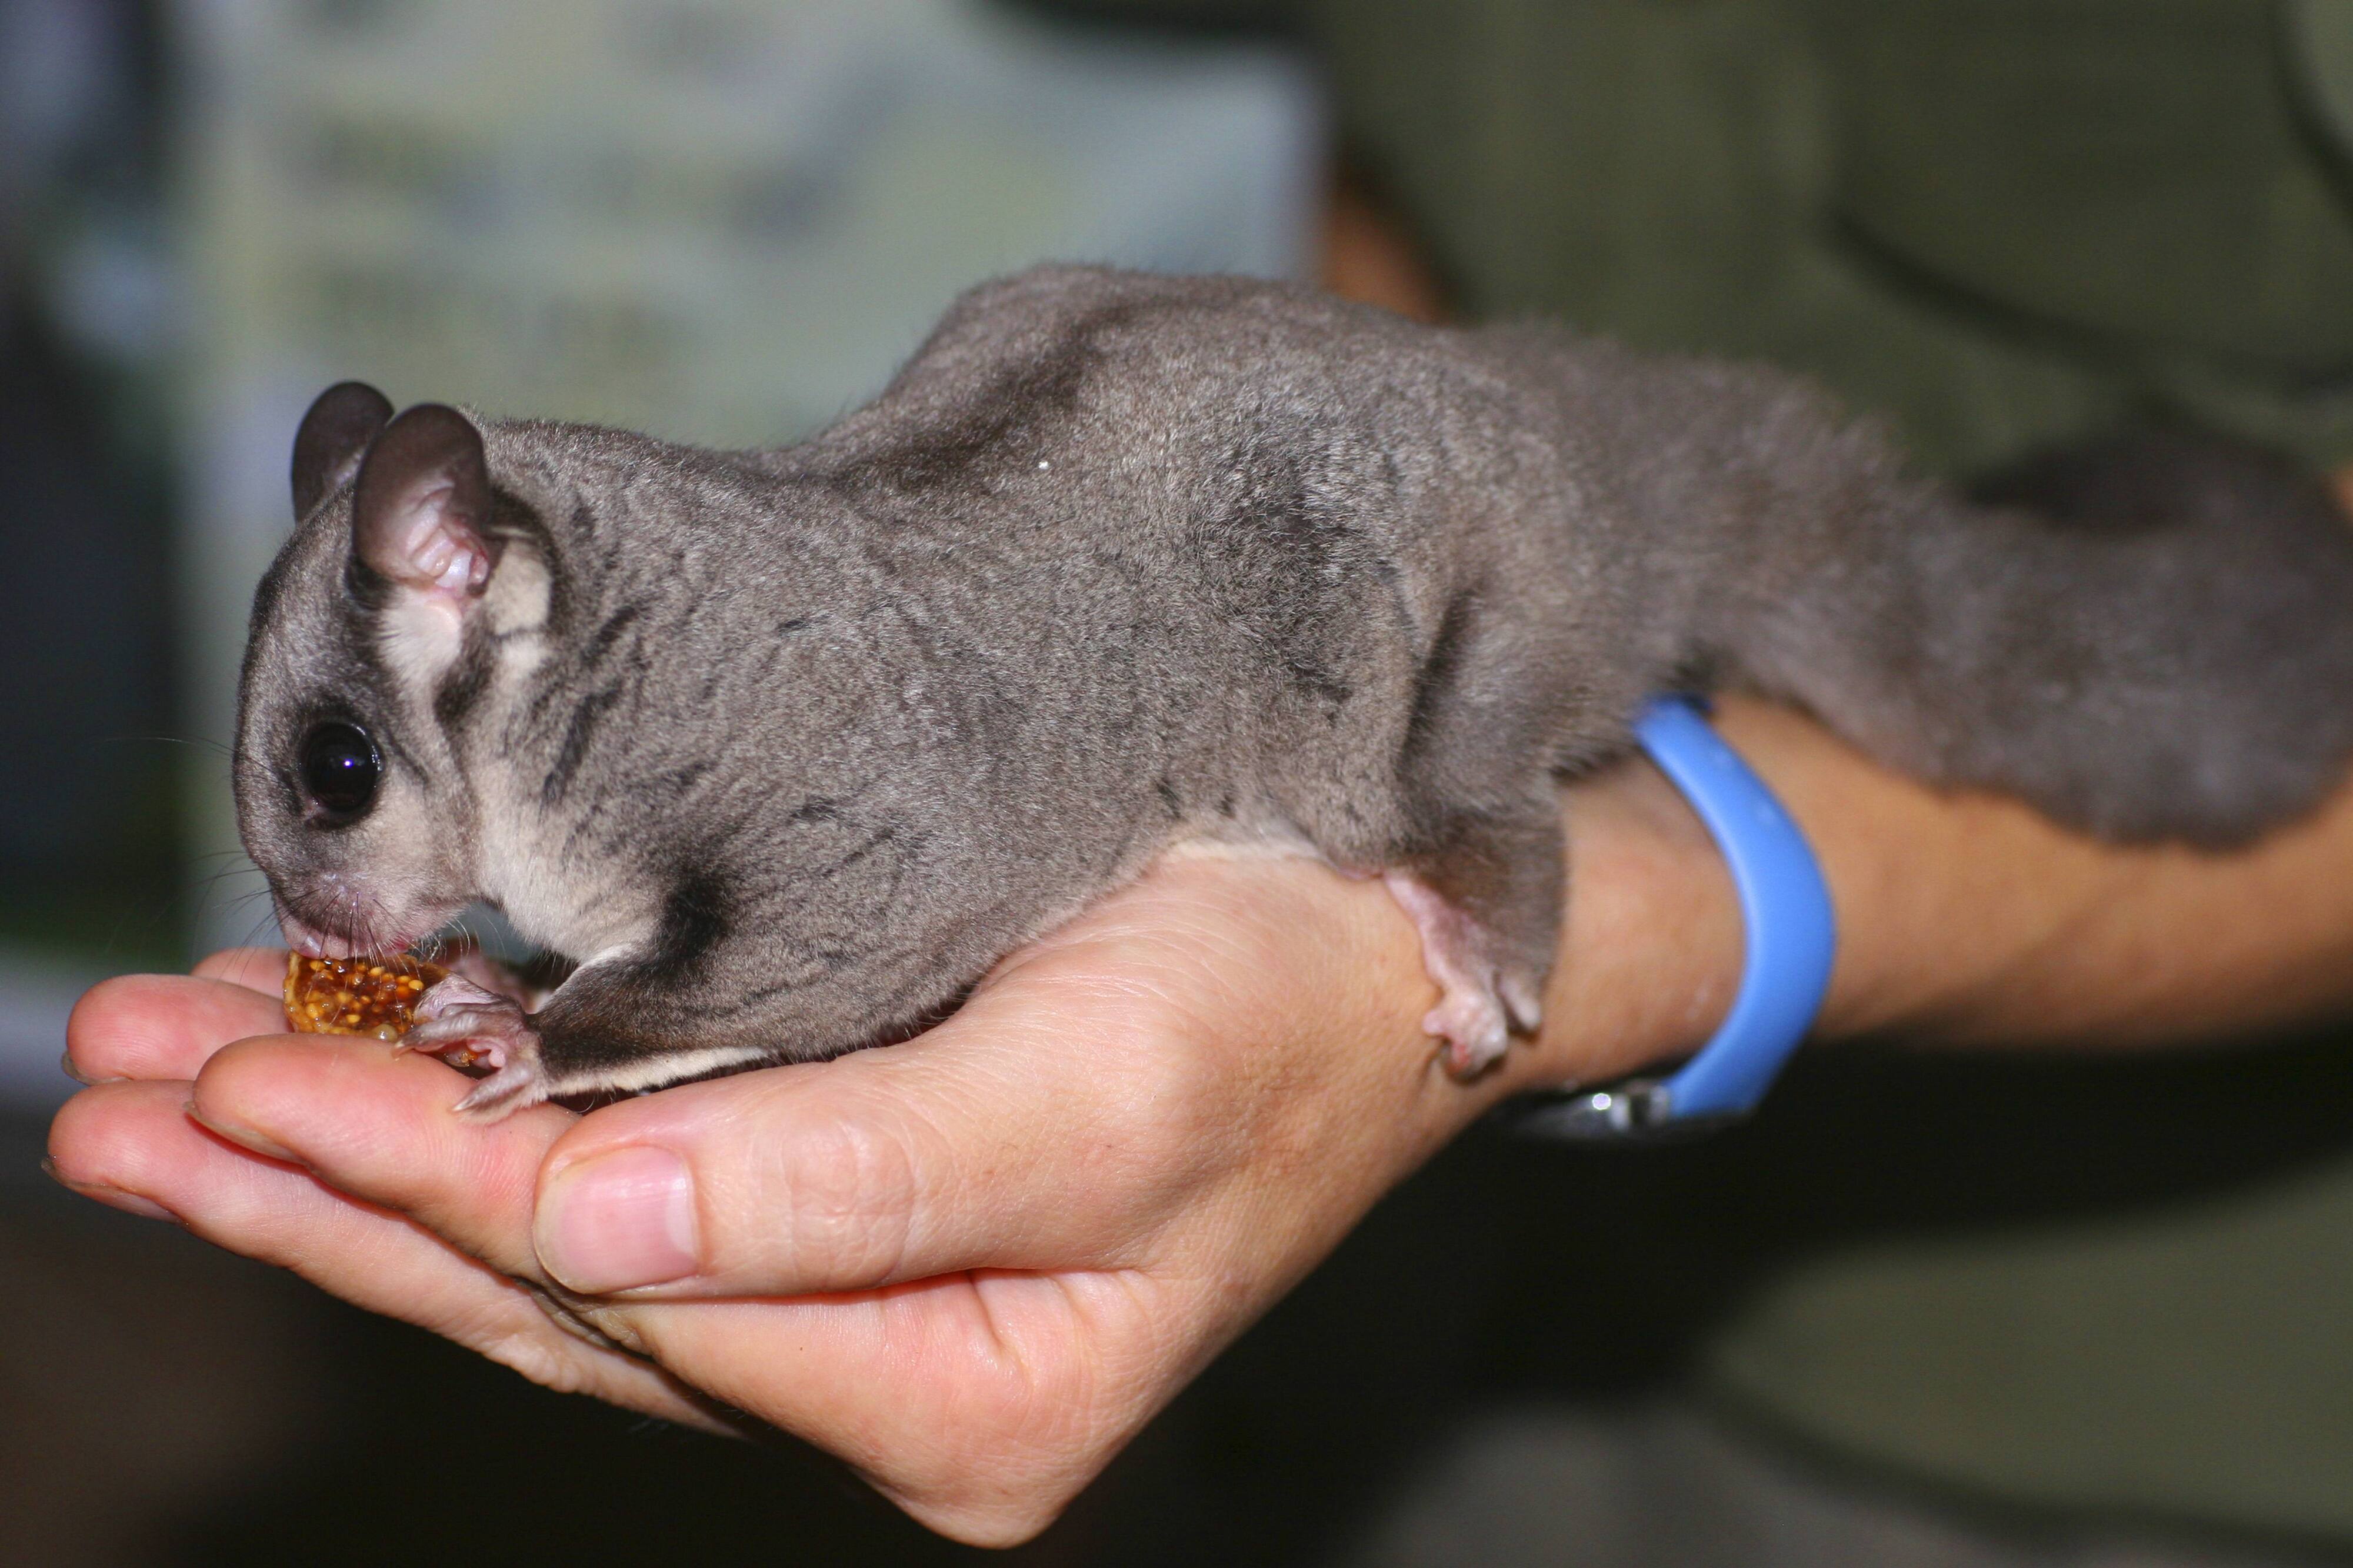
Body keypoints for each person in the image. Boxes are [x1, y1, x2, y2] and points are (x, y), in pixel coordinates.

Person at [51, 1, 2353, 1553]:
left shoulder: (715, 724)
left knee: (1420, 731)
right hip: (1486, 1348)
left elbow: (845, 926)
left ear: (475, 582)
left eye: (340, 788)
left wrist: (548, 1048)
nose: (327, 882)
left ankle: (1495, 846)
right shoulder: (642, 690)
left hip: (2099, 1405)